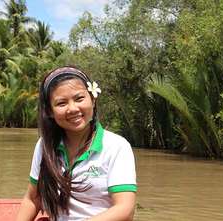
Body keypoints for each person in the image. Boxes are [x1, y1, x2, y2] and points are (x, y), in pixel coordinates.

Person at [16, 66, 137, 221]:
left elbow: (124, 208)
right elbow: (33, 199)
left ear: (93, 100)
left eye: (79, 99)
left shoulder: (116, 147)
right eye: (61, 103)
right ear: (50, 112)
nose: (72, 109)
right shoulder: (45, 146)